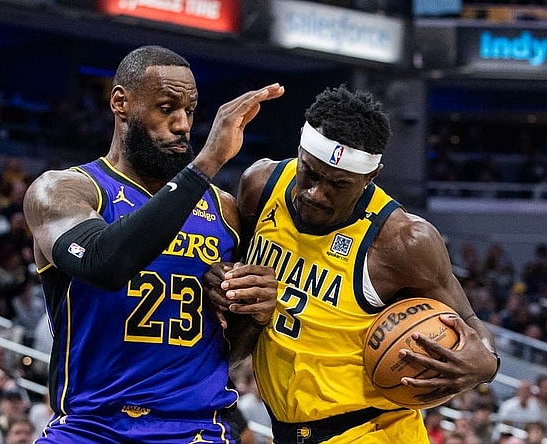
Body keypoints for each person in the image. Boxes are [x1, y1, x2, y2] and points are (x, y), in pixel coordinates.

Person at [205, 85, 500, 443]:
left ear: (369, 178)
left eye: (337, 184)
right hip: (288, 429)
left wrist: (486, 363)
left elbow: (469, 323)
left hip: (373, 430)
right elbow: (237, 333)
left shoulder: (403, 241)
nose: (316, 193)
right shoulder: (260, 186)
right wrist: (228, 288)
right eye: (310, 173)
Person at [22, 45, 282, 444]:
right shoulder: (67, 190)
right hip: (91, 427)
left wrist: (257, 312)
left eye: (190, 112)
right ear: (121, 102)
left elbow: (225, 350)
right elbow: (102, 262)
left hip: (194, 429)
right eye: (166, 108)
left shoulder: (223, 210)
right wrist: (207, 162)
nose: (182, 125)